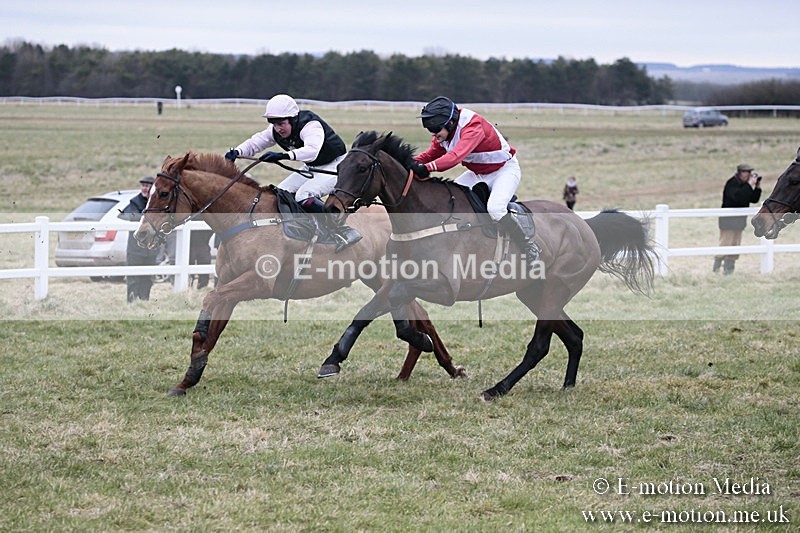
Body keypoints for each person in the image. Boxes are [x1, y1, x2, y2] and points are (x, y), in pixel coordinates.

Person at [224, 94, 361, 252]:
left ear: (293, 119)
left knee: (304, 195)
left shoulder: (311, 125)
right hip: (312, 166)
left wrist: (283, 155)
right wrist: (237, 151)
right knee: (280, 194)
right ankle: (303, 230)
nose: (278, 128)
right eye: (274, 124)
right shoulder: (276, 130)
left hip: (335, 166)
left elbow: (312, 151)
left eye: (281, 123)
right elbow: (256, 142)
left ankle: (343, 230)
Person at [411, 96, 539, 265]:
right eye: (430, 130)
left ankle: (528, 246)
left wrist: (427, 168)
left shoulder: (472, 126)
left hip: (504, 171)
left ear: (450, 123)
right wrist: (407, 163)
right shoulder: (445, 133)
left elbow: (454, 157)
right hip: (478, 174)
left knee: (495, 209)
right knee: (450, 201)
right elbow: (429, 155)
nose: (434, 135)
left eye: (436, 129)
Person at [714, 163, 762, 274]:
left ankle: (729, 270)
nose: (749, 175)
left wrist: (757, 187)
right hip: (728, 221)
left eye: (750, 173)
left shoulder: (746, 186)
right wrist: (749, 185)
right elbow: (739, 198)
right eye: (747, 172)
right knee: (725, 244)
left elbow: (753, 199)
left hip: (739, 222)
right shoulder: (732, 183)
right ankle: (716, 268)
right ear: (740, 172)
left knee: (735, 245)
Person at [118, 176, 160, 302]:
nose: (144, 188)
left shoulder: (158, 202)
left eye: (147, 186)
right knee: (133, 278)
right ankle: (132, 302)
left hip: (151, 248)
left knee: (147, 278)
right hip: (135, 249)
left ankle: (144, 301)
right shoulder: (134, 202)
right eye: (143, 186)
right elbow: (135, 218)